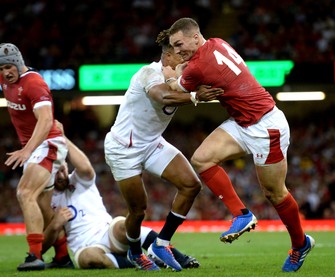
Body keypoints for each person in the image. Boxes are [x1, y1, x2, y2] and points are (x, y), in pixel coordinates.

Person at [162, 17, 315, 272]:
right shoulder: (217, 43)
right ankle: (241, 214)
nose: (177, 51)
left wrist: (172, 74)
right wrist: (183, 70)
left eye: (179, 44)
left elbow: (173, 89)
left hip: (267, 127)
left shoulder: (198, 66)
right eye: (173, 47)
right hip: (242, 121)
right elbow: (194, 69)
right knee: (201, 159)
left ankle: (300, 245)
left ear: (195, 37)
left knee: (274, 193)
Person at [103, 30, 223, 271]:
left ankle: (161, 243)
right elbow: (162, 96)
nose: (187, 64)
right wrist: (194, 97)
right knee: (138, 210)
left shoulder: (181, 78)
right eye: (182, 59)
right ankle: (136, 252)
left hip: (151, 143)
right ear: (168, 57)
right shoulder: (149, 73)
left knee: (191, 185)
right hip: (123, 148)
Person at [42, 121, 199, 270]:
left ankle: (179, 258)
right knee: (88, 258)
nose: (61, 176)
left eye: (62, 170)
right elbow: (41, 246)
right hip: (85, 247)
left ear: (67, 166)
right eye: (55, 173)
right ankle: (139, 262)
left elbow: (85, 167)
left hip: (107, 232)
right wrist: (55, 224)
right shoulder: (45, 198)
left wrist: (62, 137)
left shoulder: (78, 180)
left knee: (123, 225)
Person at [0, 43, 68, 271]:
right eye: (0, 69)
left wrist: (27, 150)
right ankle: (62, 254)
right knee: (41, 203)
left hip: (48, 143)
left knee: (24, 192)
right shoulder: (5, 81)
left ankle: (35, 256)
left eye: (9, 67)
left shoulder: (33, 82)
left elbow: (46, 120)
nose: (5, 73)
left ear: (19, 62)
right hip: (36, 147)